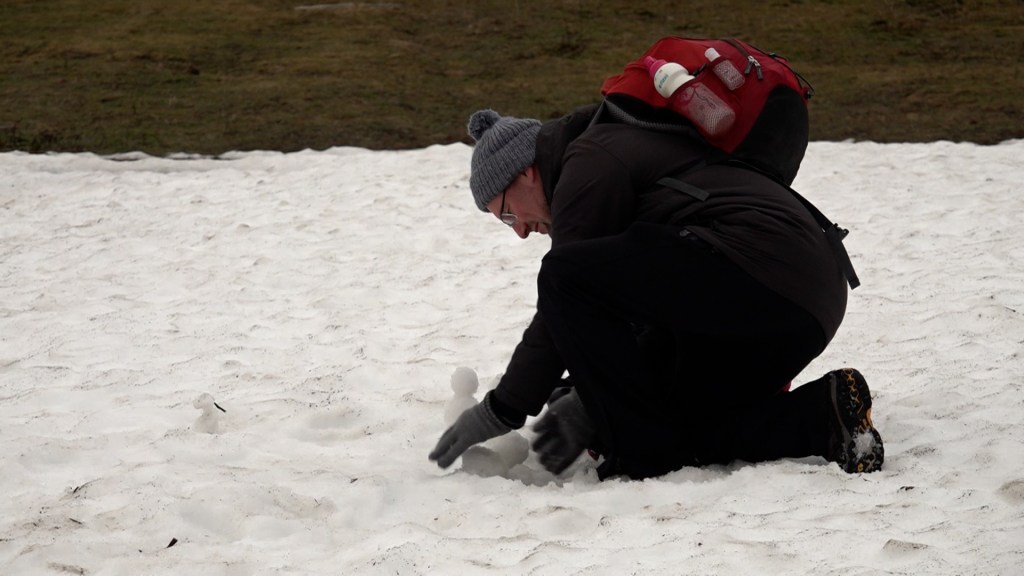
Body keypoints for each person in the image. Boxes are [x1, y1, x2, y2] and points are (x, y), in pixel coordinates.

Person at [428, 103, 884, 480]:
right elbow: (639, 299)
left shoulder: (590, 161)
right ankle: (821, 418)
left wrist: (502, 409)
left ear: (526, 172)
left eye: (508, 215)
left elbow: (564, 300)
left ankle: (644, 453)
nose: (521, 233)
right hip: (798, 306)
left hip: (760, 271)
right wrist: (589, 399)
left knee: (563, 275)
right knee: (671, 423)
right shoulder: (606, 159)